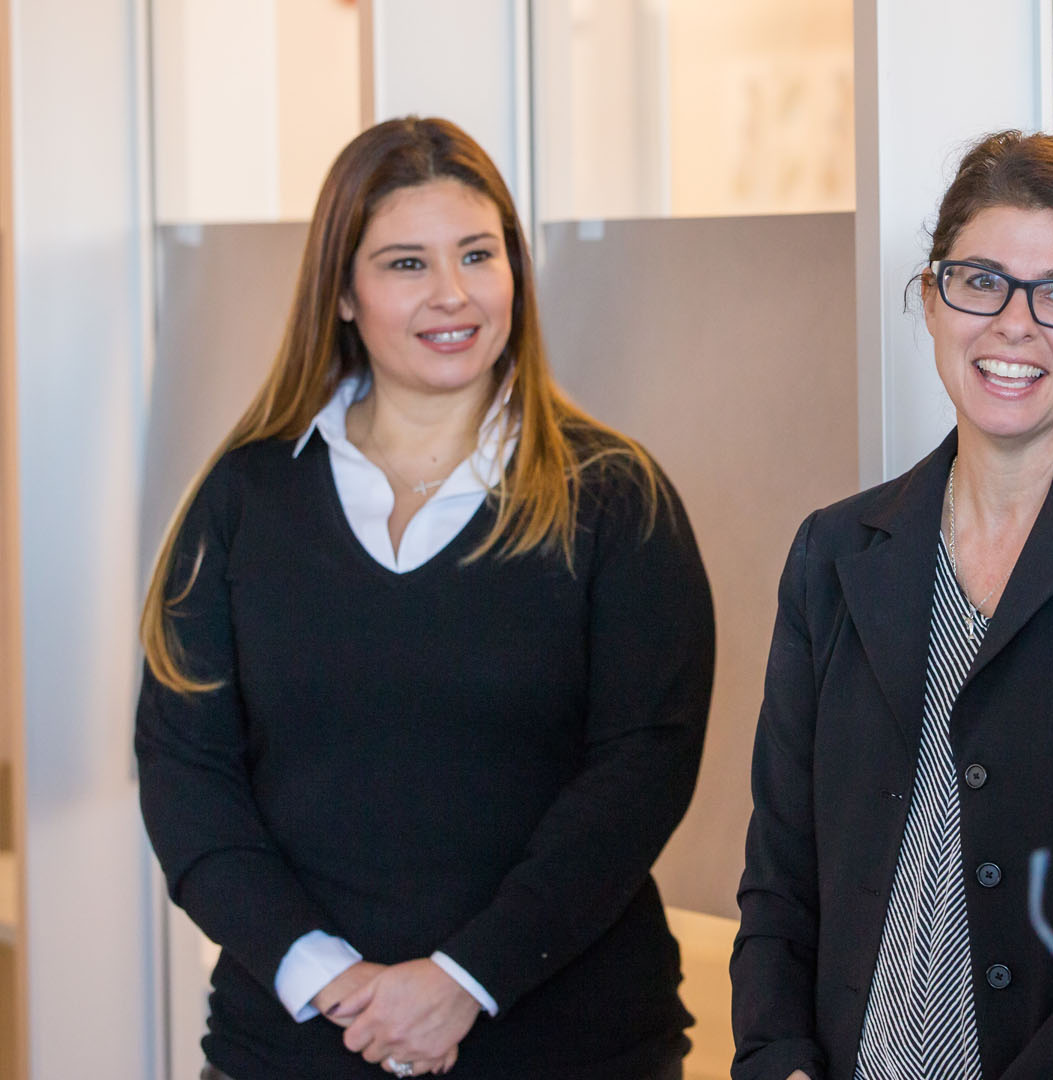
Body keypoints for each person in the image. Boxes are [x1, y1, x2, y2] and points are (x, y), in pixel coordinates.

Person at [135, 117, 715, 1080]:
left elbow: (641, 772)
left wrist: (464, 979)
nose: (452, 294)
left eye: (478, 255)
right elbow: (185, 776)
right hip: (296, 1046)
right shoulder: (243, 497)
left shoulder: (615, 495)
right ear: (343, 295)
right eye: (406, 262)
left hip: (571, 1048)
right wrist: (333, 980)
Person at [731, 131, 1053, 1080]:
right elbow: (779, 882)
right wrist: (778, 1063)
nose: (1014, 325)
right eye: (980, 281)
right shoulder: (834, 552)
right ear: (931, 299)